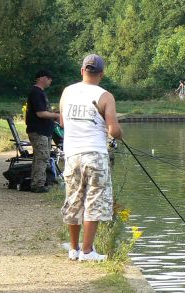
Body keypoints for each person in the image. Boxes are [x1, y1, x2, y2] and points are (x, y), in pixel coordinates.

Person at [59, 54, 123, 262]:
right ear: (102, 73)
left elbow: (62, 122)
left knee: (74, 200)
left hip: (72, 154)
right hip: (95, 154)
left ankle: (74, 249)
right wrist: (119, 133)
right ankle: (87, 251)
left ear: (82, 71)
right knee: (94, 201)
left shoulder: (67, 92)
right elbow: (113, 130)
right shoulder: (106, 96)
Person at [25, 70, 60, 193]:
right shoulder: (36, 93)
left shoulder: (41, 93)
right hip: (38, 131)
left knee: (40, 157)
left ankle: (38, 182)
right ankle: (37, 185)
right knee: (42, 157)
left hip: (45, 131)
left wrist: (55, 113)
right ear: (42, 78)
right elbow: (40, 113)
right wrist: (56, 116)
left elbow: (45, 111)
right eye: (49, 78)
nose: (51, 81)